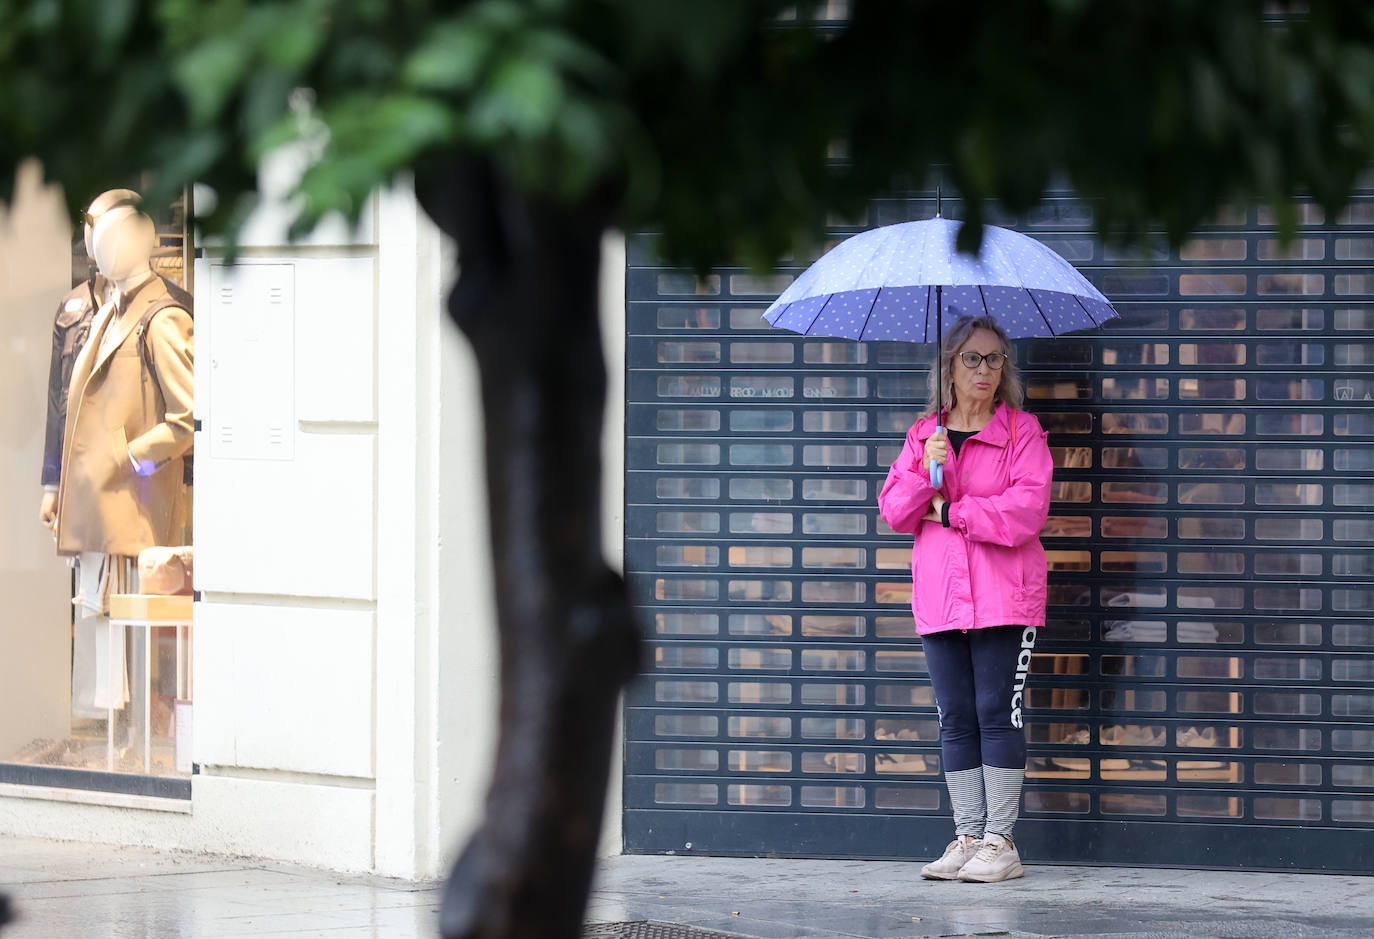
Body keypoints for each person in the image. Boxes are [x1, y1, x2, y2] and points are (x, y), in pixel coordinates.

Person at [877, 314, 1053, 883]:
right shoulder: (923, 434)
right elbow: (894, 511)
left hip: (1005, 595)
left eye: (994, 358)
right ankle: (969, 836)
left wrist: (951, 511)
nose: (984, 369)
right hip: (940, 597)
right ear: (949, 365)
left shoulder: (1022, 432)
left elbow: (1025, 512)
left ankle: (1001, 842)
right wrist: (926, 472)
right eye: (971, 358)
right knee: (954, 717)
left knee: (995, 714)